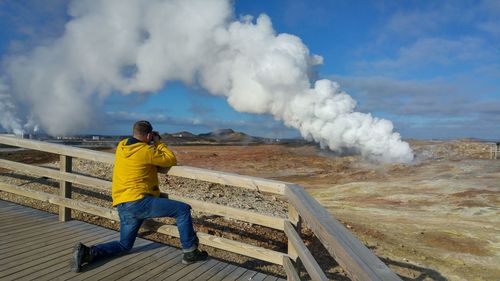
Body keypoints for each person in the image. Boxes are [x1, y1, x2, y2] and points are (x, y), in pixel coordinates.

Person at [70, 120, 208, 272]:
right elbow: (170, 159)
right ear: (149, 135)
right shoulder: (146, 151)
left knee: (124, 245)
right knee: (182, 209)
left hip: (122, 203)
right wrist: (158, 143)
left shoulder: (122, 146)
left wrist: (149, 143)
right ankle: (190, 252)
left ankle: (88, 253)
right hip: (138, 202)